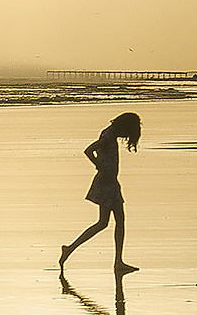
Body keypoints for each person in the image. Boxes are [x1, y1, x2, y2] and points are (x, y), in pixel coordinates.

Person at [59, 111, 142, 272]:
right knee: (108, 222)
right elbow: (89, 150)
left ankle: (116, 261)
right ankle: (115, 261)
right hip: (106, 183)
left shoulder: (109, 134)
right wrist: (100, 166)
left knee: (109, 222)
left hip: (110, 183)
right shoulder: (108, 136)